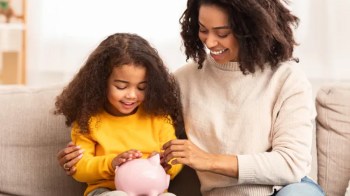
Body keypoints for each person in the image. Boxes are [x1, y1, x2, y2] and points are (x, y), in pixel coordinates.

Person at [57, 0, 325, 195]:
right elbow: (137, 122)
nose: (209, 42)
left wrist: (207, 160)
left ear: (251, 29)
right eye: (202, 29)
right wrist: (83, 159)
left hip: (288, 189)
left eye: (222, 33)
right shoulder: (182, 81)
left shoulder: (288, 78)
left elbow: (291, 164)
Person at [54, 33, 183, 196]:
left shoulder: (158, 117)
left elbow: (175, 157)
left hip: (152, 191)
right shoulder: (88, 120)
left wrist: (167, 163)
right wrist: (112, 163)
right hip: (106, 190)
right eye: (121, 87)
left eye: (141, 87)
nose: (132, 95)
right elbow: (79, 168)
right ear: (101, 83)